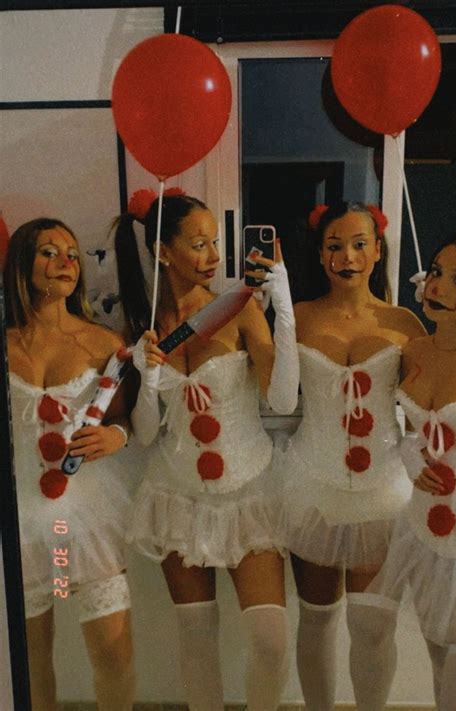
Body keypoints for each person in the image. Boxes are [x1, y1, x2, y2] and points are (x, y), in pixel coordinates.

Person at [114, 189, 298, 711]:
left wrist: (281, 305)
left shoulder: (239, 308)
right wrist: (148, 377)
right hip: (176, 493)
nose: (215, 256)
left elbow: (283, 397)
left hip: (250, 488)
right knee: (195, 640)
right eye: (199, 243)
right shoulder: (141, 327)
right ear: (163, 251)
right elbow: (147, 434)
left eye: (216, 242)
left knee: (270, 642)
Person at [278, 201, 426, 711]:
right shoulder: (295, 317)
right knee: (317, 619)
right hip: (311, 485)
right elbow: (274, 391)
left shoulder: (405, 320)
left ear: (378, 249)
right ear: (320, 255)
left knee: (372, 623)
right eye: (335, 245)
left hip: (383, 488)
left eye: (360, 243)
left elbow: (430, 401)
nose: (348, 256)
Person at [4, 217, 134, 711]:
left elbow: (128, 422)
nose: (64, 263)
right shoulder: (5, 342)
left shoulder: (102, 343)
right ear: (21, 263)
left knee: (114, 659)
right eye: (48, 252)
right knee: (33, 662)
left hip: (85, 520)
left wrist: (114, 436)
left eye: (73, 254)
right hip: (22, 525)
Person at [364, 226, 456, 710]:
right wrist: (411, 459)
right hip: (425, 531)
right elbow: (404, 434)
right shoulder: (415, 351)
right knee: (437, 656)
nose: (438, 286)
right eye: (435, 271)